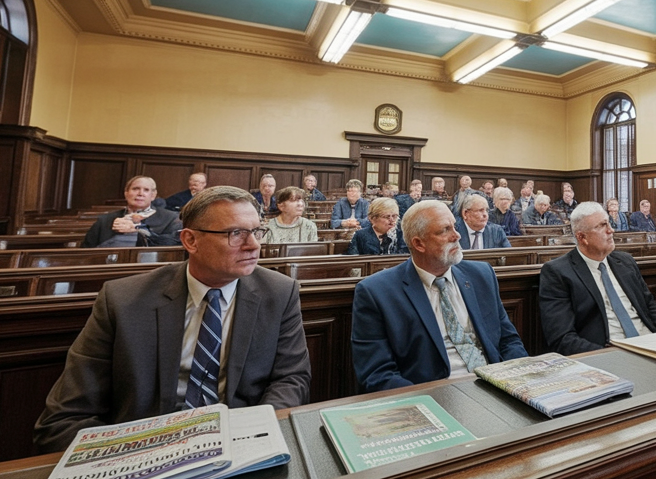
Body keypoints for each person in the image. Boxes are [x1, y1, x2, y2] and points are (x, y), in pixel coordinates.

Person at [34, 186, 311, 452]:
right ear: (190, 240)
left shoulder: (279, 292)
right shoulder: (123, 300)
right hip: (145, 445)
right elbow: (65, 416)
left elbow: (290, 378)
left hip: (240, 441)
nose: (253, 245)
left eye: (257, 231)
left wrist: (259, 434)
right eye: (236, 233)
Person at [350, 200, 527, 392]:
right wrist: (427, 404)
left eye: (455, 226)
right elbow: (377, 374)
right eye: (445, 230)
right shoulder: (377, 292)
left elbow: (508, 341)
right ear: (419, 243)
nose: (457, 235)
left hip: (496, 386)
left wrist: (520, 383)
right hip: (431, 396)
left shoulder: (481, 275)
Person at [538, 202, 656, 355]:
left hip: (652, 344)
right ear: (582, 237)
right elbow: (562, 338)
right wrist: (608, 357)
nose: (611, 230)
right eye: (602, 226)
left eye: (608, 223)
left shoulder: (625, 261)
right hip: (606, 354)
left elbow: (651, 307)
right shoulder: (558, 272)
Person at [82, 176, 182, 247]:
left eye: (146, 190)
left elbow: (173, 246)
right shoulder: (104, 220)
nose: (140, 194)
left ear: (153, 195)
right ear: (126, 193)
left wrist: (139, 230)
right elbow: (87, 250)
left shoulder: (171, 218)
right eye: (135, 189)